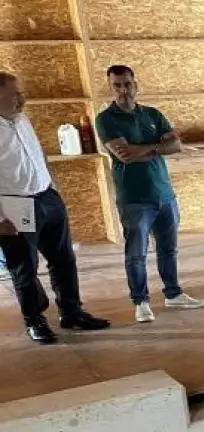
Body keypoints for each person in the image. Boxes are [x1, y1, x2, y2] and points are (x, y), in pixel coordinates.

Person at [0, 72, 109, 343]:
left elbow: (38, 153)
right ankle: (35, 320)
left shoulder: (22, 119)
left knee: (63, 259)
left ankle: (72, 313)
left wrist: (53, 189)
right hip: (15, 206)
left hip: (47, 197)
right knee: (24, 268)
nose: (22, 99)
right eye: (15, 95)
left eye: (21, 93)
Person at [95, 64, 204, 322]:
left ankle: (173, 293)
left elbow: (176, 145)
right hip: (134, 197)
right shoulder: (106, 119)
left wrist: (145, 149)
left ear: (135, 85)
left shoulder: (152, 114)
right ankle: (141, 301)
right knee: (136, 253)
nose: (123, 90)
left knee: (169, 249)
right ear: (111, 88)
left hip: (164, 193)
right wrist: (158, 147)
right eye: (117, 85)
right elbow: (125, 155)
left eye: (127, 84)